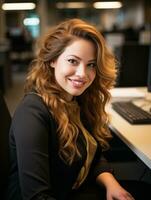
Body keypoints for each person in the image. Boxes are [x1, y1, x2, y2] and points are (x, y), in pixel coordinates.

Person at [5, 18, 137, 200]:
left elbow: (91, 154)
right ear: (52, 60)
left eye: (91, 64)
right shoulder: (33, 113)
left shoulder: (78, 100)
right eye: (73, 61)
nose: (82, 73)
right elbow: (36, 196)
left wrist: (111, 184)